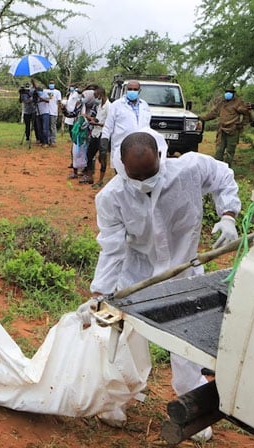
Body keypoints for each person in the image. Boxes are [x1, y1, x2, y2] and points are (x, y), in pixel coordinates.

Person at [79, 130, 241, 441]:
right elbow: (112, 248)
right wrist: (100, 293)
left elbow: (223, 176)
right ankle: (114, 399)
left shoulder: (190, 170)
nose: (144, 182)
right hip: (137, 279)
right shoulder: (112, 197)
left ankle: (191, 404)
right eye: (135, 176)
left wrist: (229, 215)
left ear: (162, 158)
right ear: (122, 167)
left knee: (187, 346)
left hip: (184, 276)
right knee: (121, 339)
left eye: (149, 173)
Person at [101, 80, 152, 175]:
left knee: (138, 178)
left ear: (139, 91)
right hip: (121, 148)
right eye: (130, 89)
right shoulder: (116, 105)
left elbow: (147, 126)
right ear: (125, 90)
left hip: (141, 149)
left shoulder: (144, 105)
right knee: (122, 178)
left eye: (135, 89)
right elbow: (108, 127)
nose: (132, 91)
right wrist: (103, 145)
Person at [200, 87, 252, 166]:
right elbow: (213, 113)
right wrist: (202, 118)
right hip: (222, 130)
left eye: (230, 92)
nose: (228, 94)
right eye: (227, 92)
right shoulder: (222, 103)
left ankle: (227, 168)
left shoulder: (238, 103)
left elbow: (247, 114)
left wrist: (241, 124)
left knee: (230, 151)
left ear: (233, 94)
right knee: (219, 150)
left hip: (233, 130)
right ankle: (217, 168)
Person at [80, 86, 110, 187]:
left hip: (103, 134)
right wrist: (90, 118)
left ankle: (101, 180)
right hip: (95, 133)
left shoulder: (109, 107)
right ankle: (89, 176)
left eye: (96, 96)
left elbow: (109, 123)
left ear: (101, 96)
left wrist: (96, 124)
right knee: (89, 154)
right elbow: (98, 119)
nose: (95, 99)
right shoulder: (99, 106)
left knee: (102, 157)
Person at [44, 79, 62, 146]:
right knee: (47, 127)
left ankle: (53, 141)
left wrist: (59, 111)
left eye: (52, 83)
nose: (51, 84)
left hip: (54, 112)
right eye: (50, 83)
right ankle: (48, 140)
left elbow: (59, 102)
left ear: (54, 84)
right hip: (46, 111)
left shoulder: (57, 92)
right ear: (48, 84)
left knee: (53, 127)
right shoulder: (46, 91)